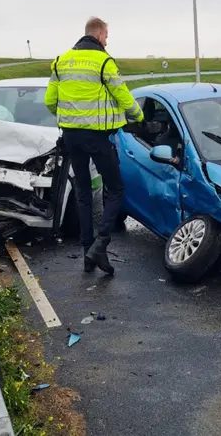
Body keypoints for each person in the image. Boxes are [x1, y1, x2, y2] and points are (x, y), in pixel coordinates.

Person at [45, 17, 144, 275]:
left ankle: (88, 254)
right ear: (99, 35)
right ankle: (100, 244)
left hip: (70, 137)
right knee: (115, 189)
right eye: (107, 35)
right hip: (97, 138)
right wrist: (139, 117)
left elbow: (49, 101)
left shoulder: (61, 61)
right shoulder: (104, 61)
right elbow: (122, 95)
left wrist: (69, 118)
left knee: (83, 192)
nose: (107, 40)